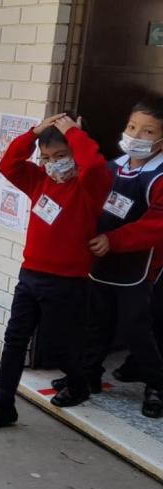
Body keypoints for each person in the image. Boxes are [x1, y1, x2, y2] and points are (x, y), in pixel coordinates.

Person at [0, 112, 112, 431]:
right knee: (15, 340)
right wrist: (34, 132)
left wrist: (74, 133)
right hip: (30, 275)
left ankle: (79, 384)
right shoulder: (39, 180)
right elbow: (8, 164)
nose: (53, 164)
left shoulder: (89, 186)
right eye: (47, 158)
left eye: (61, 156)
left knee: (60, 344)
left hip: (67, 281)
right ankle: (3, 404)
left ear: (75, 152)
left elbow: (93, 165)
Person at [77, 97, 163, 418]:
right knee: (96, 321)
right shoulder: (112, 167)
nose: (135, 136)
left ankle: (157, 384)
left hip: (139, 269)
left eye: (148, 131)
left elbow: (155, 226)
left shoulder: (160, 177)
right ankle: (89, 374)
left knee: (136, 329)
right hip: (101, 262)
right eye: (131, 127)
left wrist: (112, 240)